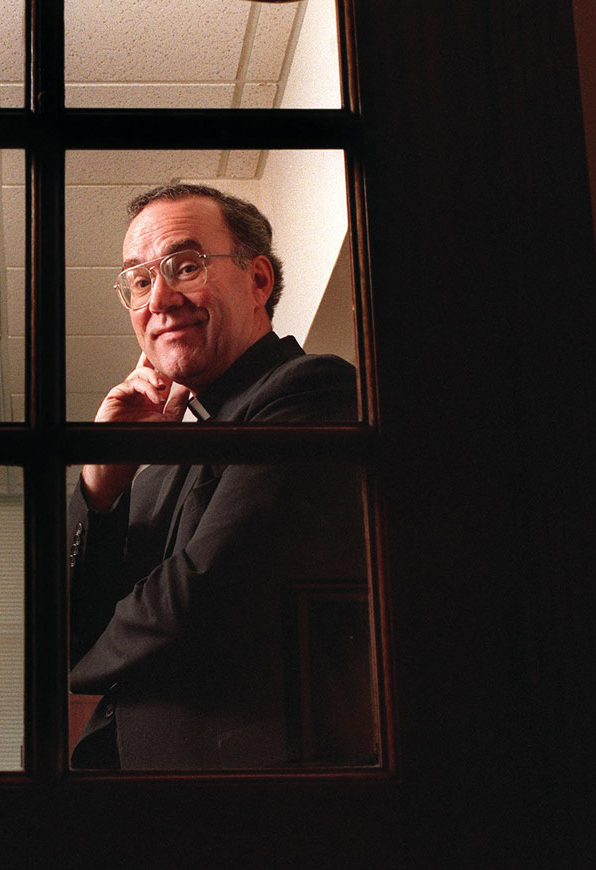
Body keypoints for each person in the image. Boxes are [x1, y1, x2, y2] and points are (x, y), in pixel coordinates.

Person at [68, 183, 365, 769]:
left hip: (257, 804)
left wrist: (82, 662)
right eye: (141, 280)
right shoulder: (154, 471)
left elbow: (201, 598)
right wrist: (101, 480)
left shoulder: (311, 391)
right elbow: (65, 625)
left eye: (184, 266)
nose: (160, 299)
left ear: (258, 281)